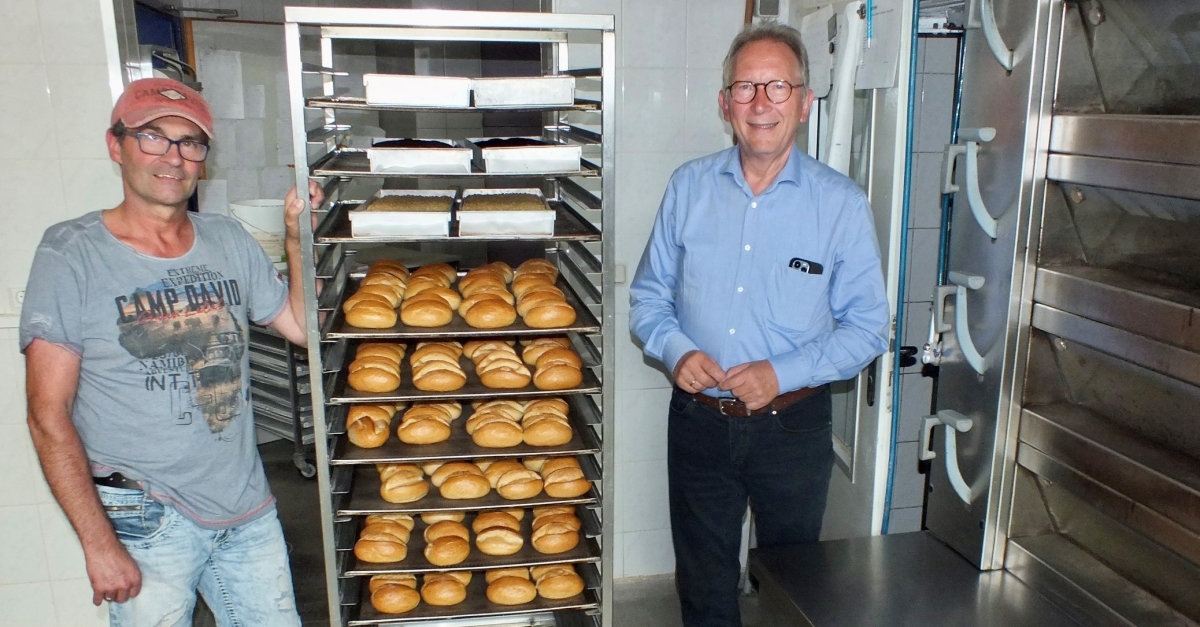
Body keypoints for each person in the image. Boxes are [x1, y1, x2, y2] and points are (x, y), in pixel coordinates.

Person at [20, 77, 323, 627]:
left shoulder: (229, 240)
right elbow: (47, 414)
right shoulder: (71, 253)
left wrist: (296, 235)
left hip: (246, 505)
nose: (174, 157)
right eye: (153, 137)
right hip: (144, 513)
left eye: (191, 143)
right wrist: (99, 544)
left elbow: (302, 329)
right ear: (117, 146)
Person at [628, 22, 890, 627]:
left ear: (804, 102)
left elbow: (868, 327)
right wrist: (674, 349)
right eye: (745, 88)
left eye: (777, 87)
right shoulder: (687, 188)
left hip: (792, 429)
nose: (761, 103)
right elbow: (647, 297)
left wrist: (781, 372)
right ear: (725, 105)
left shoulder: (841, 205)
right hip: (699, 423)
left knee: (791, 587)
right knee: (703, 584)